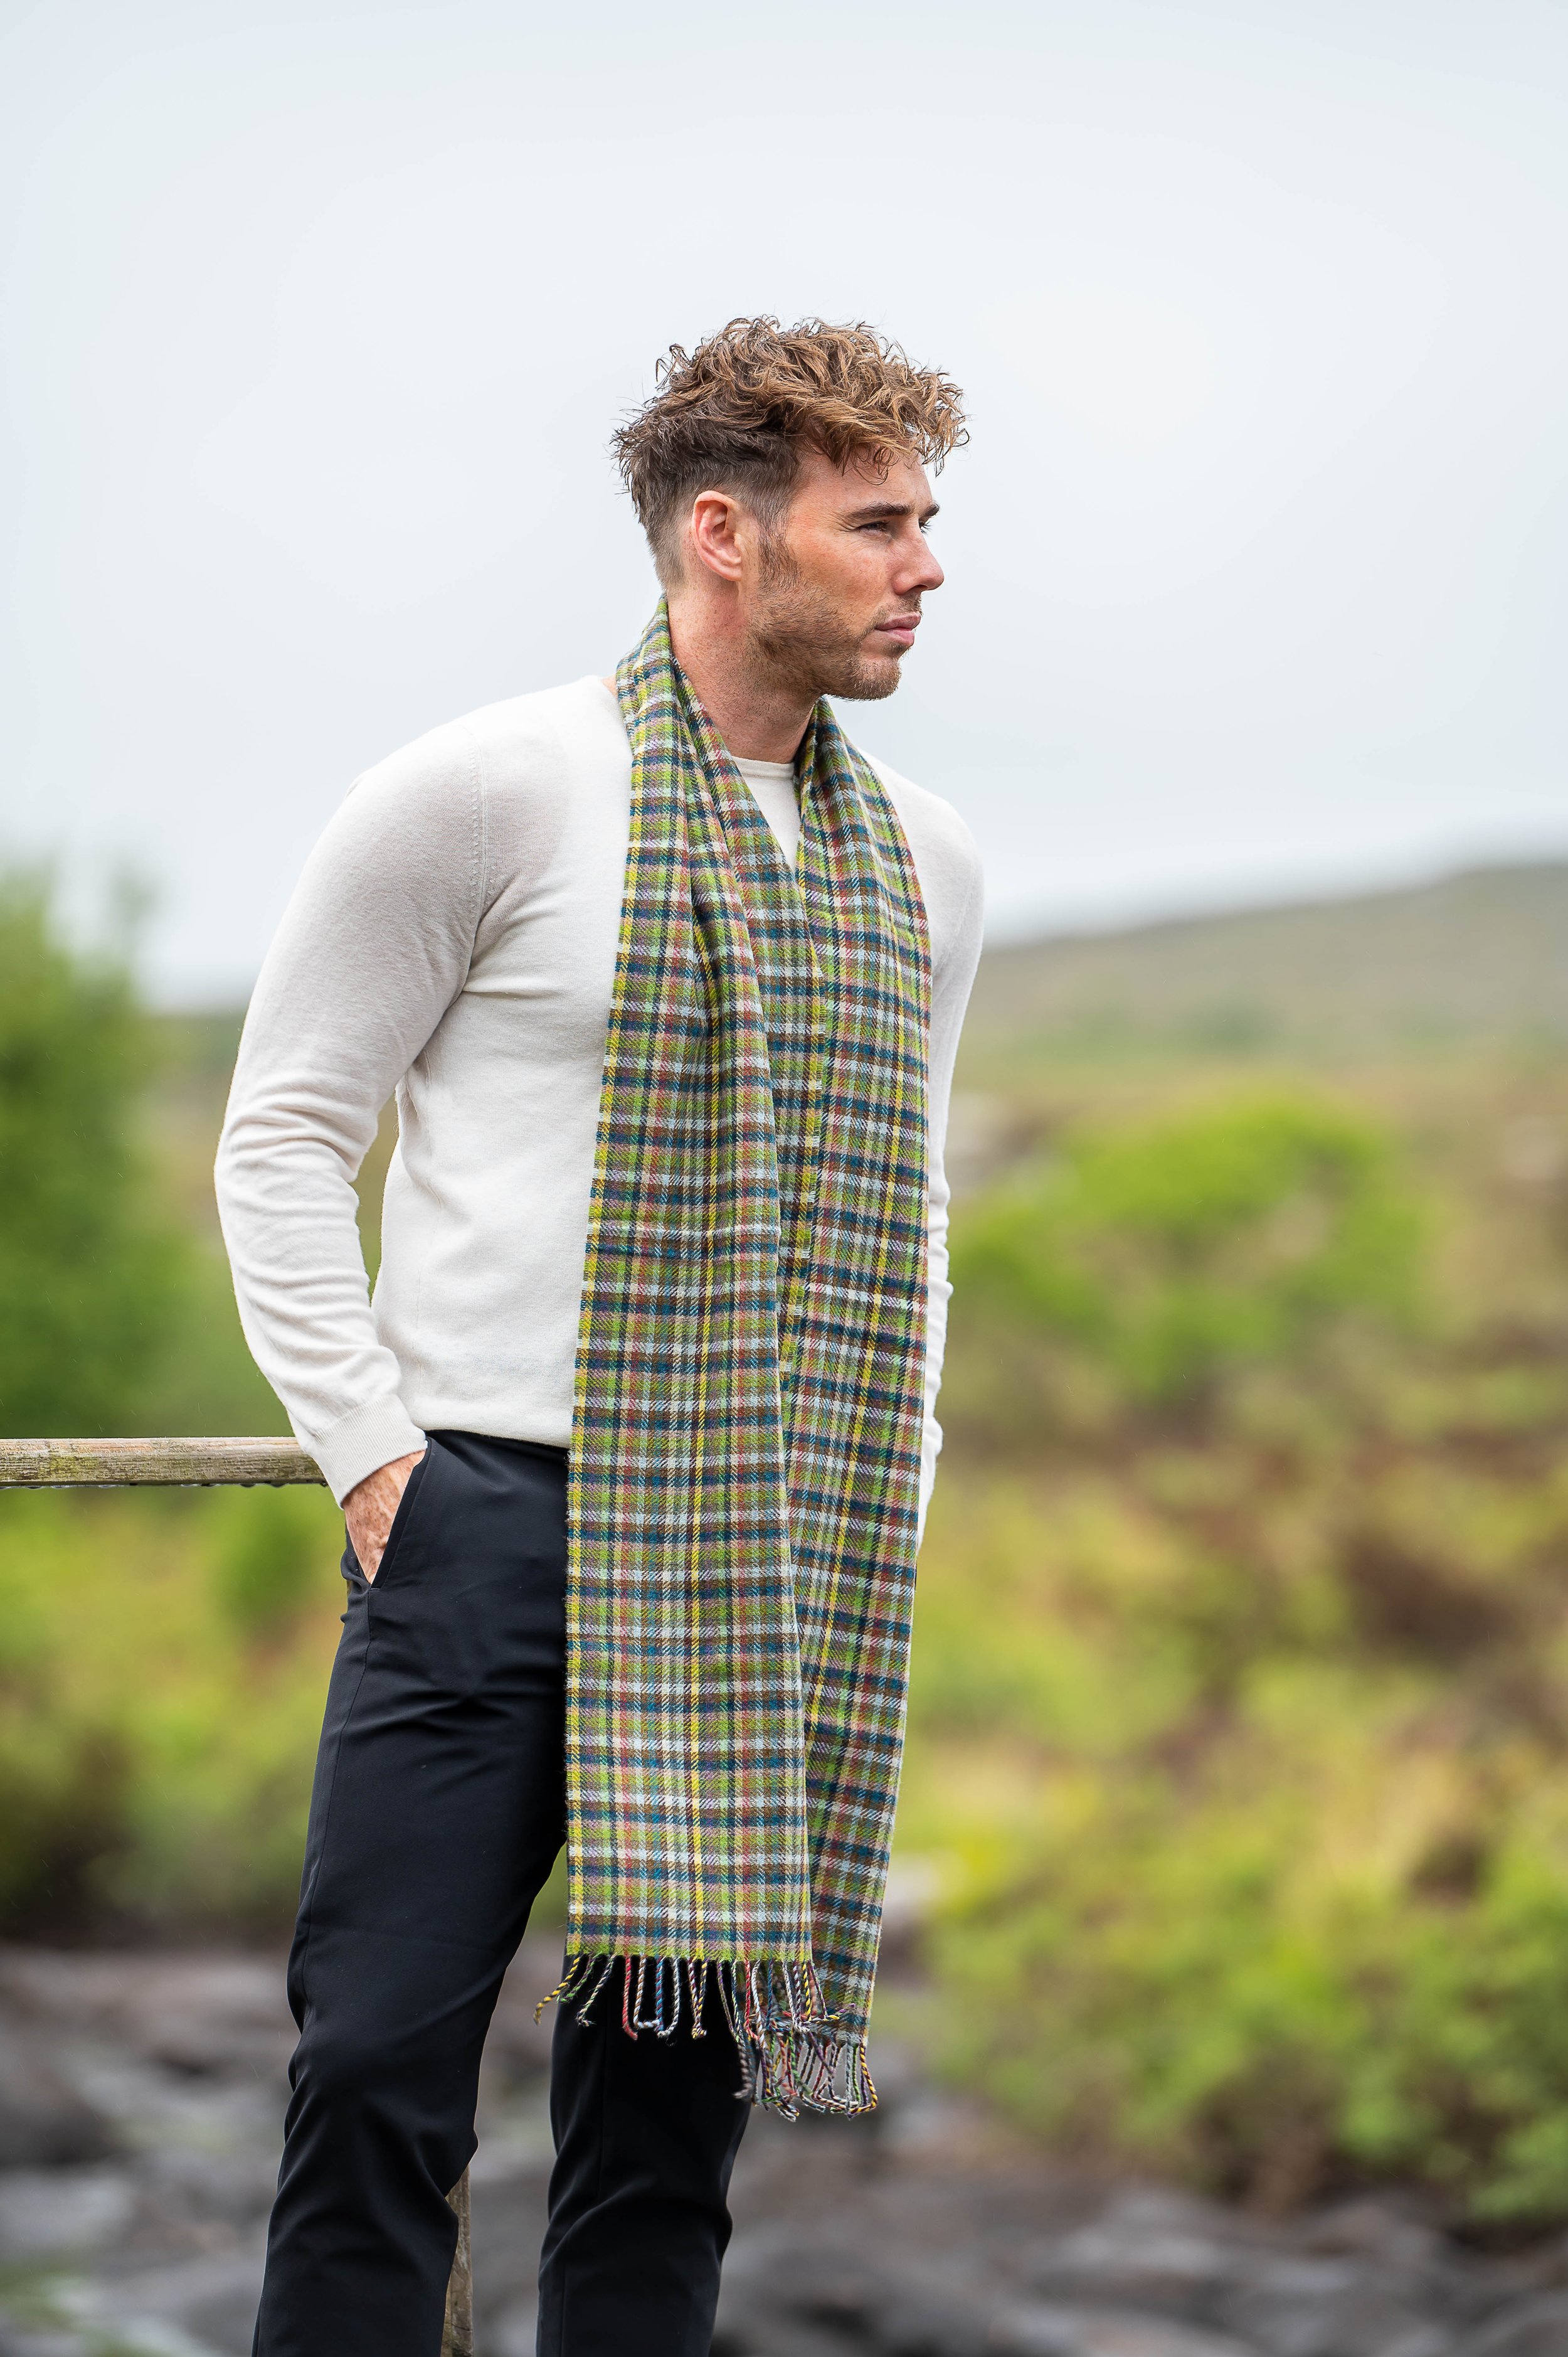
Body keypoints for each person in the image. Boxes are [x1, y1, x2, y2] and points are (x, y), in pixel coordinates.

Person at [216, 315, 984, 2357]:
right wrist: (375, 1460)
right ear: (723, 533)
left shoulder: (925, 864)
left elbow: (905, 1207)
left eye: (925, 522)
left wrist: (888, 1491)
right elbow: (284, 1135)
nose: (924, 568)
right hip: (484, 1524)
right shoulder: (484, 793)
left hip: (766, 1549)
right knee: (374, 2066)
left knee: (663, 2128)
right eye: (877, 524)